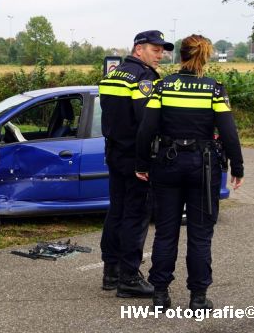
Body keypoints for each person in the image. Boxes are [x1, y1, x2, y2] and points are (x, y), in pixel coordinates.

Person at [135, 34, 244, 310]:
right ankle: (198, 298)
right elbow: (229, 132)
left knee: (165, 233)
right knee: (200, 234)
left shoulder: (163, 86)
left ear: (180, 56)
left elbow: (146, 129)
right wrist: (238, 167)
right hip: (203, 168)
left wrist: (142, 164)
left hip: (167, 166)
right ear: (204, 57)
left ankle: (160, 295)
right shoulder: (213, 89)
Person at [99, 30, 173, 298]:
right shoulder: (144, 77)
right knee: (137, 215)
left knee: (116, 211)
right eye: (155, 50)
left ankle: (111, 271)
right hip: (136, 155)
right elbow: (147, 122)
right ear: (139, 49)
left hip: (114, 152)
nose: (160, 55)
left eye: (162, 50)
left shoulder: (113, 74)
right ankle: (129, 277)